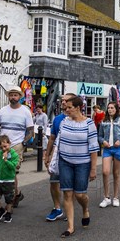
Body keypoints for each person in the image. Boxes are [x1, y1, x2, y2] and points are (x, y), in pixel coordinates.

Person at [57, 96, 99, 237]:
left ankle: (85, 209)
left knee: (79, 194)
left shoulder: (89, 124)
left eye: (69, 107)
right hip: (65, 162)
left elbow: (93, 148)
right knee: (67, 193)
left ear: (78, 107)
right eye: (66, 108)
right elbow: (58, 141)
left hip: (83, 163)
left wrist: (93, 169)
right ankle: (70, 227)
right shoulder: (64, 122)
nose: (66, 110)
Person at [0, 86, 33, 208]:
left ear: (20, 96)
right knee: (7, 170)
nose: (13, 97)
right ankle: (16, 194)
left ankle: (11, 197)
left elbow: (30, 130)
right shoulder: (2, 111)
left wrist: (23, 143)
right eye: (11, 95)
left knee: (12, 171)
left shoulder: (25, 111)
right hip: (3, 145)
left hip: (16, 145)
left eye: (15, 95)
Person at [44, 93, 76, 222]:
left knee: (69, 184)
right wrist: (47, 155)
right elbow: (52, 138)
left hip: (72, 156)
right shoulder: (57, 119)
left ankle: (69, 208)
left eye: (66, 100)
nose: (63, 102)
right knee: (54, 182)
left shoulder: (79, 119)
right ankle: (57, 208)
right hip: (57, 156)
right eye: (62, 100)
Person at [98, 102, 120, 208]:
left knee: (116, 174)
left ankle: (116, 197)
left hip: (118, 149)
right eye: (108, 108)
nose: (110, 110)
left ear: (116, 109)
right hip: (107, 149)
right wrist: (103, 141)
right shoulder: (104, 122)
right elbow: (99, 136)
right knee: (105, 172)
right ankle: (106, 197)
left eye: (112, 108)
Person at [0, 135, 19, 223]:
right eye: (1, 147)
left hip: (9, 180)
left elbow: (13, 167)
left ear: (9, 144)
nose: (3, 149)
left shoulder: (14, 154)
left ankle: (8, 214)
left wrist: (6, 160)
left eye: (5, 146)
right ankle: (1, 210)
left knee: (9, 199)